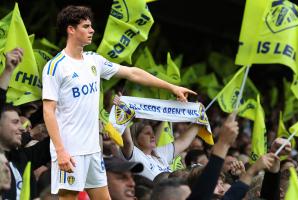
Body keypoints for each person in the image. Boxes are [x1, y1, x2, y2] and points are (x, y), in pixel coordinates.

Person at [42, 5, 196, 199]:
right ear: (71, 30)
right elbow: (48, 111)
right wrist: (60, 150)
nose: (92, 30)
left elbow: (133, 73)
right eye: (86, 26)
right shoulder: (55, 67)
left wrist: (172, 87)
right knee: (68, 198)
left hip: (93, 150)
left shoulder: (93, 60)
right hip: (70, 150)